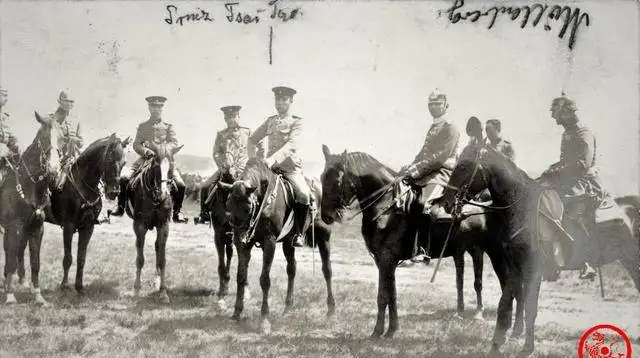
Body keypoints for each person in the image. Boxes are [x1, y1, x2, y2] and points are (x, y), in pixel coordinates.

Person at [538, 93, 606, 280]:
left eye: (557, 113)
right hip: (569, 182)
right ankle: (551, 262)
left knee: (572, 217)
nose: (554, 118)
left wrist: (556, 171)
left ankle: (587, 262)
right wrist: (550, 170)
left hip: (585, 184)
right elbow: (564, 160)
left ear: (568, 113)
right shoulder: (567, 134)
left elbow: (582, 164)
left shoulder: (583, 133)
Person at [400, 89, 461, 262]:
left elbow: (441, 156)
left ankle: (423, 251)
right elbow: (424, 153)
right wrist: (411, 166)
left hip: (442, 173)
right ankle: (407, 247)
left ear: (446, 106)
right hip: (428, 172)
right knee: (405, 199)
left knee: (423, 203)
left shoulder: (451, 127)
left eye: (437, 104)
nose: (433, 107)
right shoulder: (434, 126)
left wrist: (417, 169)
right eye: (430, 104)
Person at [108, 95, 188, 223]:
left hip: (164, 161)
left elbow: (174, 143)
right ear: (149, 108)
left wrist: (164, 149)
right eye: (153, 107)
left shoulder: (168, 127)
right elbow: (136, 144)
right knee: (124, 178)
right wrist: (146, 151)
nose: (156, 109)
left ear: (162, 109)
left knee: (181, 184)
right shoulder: (143, 126)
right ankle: (121, 207)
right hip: (145, 159)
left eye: (159, 107)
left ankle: (177, 213)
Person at [250, 86, 310, 247]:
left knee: (304, 194)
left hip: (290, 169)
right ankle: (251, 229)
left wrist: (272, 159)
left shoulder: (297, 122)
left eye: (284, 99)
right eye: (277, 99)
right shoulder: (270, 121)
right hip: (270, 169)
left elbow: (291, 145)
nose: (280, 102)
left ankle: (299, 233)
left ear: (291, 101)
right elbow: (253, 139)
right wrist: (256, 156)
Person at [195, 105, 251, 224]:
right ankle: (204, 213)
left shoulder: (247, 132)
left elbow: (253, 151)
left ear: (238, 117)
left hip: (244, 170)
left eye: (233, 117)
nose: (231, 120)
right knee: (205, 186)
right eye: (228, 118)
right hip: (225, 168)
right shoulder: (221, 134)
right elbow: (216, 153)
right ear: (225, 119)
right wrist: (223, 165)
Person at [51, 91, 84, 190]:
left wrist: (76, 140)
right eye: (66, 101)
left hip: (73, 155)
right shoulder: (52, 118)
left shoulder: (76, 120)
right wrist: (64, 139)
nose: (69, 104)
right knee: (53, 176)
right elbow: (51, 139)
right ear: (59, 102)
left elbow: (81, 142)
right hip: (57, 155)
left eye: (71, 101)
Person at [0, 86, 20, 185]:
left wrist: (16, 144)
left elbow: (10, 135)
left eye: (6, 96)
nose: (6, 98)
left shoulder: (6, 115)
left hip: (6, 154)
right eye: (3, 95)